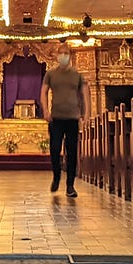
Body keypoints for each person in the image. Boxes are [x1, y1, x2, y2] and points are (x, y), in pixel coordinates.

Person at [41, 51, 87, 198]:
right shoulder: (51, 74)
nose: (63, 56)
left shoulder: (77, 75)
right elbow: (44, 92)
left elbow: (85, 94)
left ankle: (70, 185)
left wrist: (86, 114)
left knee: (72, 151)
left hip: (73, 117)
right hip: (56, 117)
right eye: (61, 53)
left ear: (70, 56)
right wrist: (45, 110)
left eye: (66, 53)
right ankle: (56, 176)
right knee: (55, 149)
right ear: (57, 56)